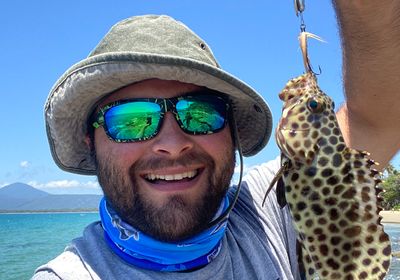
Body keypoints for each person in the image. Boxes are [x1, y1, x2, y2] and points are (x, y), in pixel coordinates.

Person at [33, 1, 400, 279]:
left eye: (201, 113)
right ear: (90, 141)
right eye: (130, 121)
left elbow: (378, 117)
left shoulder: (268, 211)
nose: (173, 143)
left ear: (232, 132)